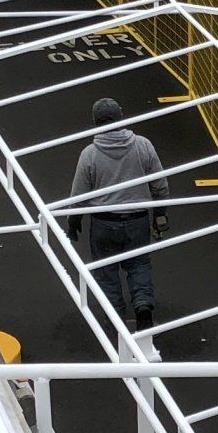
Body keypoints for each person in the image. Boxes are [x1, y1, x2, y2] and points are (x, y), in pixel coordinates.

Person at [69, 96, 169, 332]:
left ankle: (115, 321)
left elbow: (79, 194)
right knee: (139, 265)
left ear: (96, 122)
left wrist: (74, 221)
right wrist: (160, 214)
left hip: (103, 223)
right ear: (121, 115)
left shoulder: (89, 154)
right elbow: (160, 186)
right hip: (137, 220)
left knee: (107, 272)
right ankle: (143, 307)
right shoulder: (143, 145)